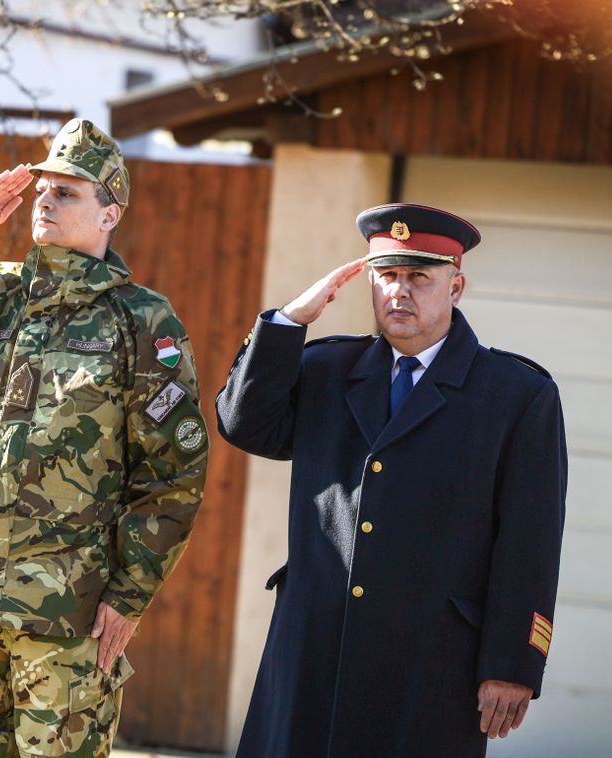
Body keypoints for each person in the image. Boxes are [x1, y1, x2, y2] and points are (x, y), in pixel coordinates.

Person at [0, 118, 208, 756]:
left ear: (111, 213)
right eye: (44, 188)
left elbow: (172, 476)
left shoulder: (140, 320)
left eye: (68, 192)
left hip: (66, 614)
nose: (46, 200)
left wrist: (129, 597)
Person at [217, 203, 568, 757]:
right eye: (387, 276)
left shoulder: (516, 395)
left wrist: (512, 664)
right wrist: (288, 323)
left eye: (419, 278)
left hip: (430, 664)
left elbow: (530, 541)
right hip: (314, 652)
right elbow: (243, 425)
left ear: (456, 287)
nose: (399, 292)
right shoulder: (325, 369)